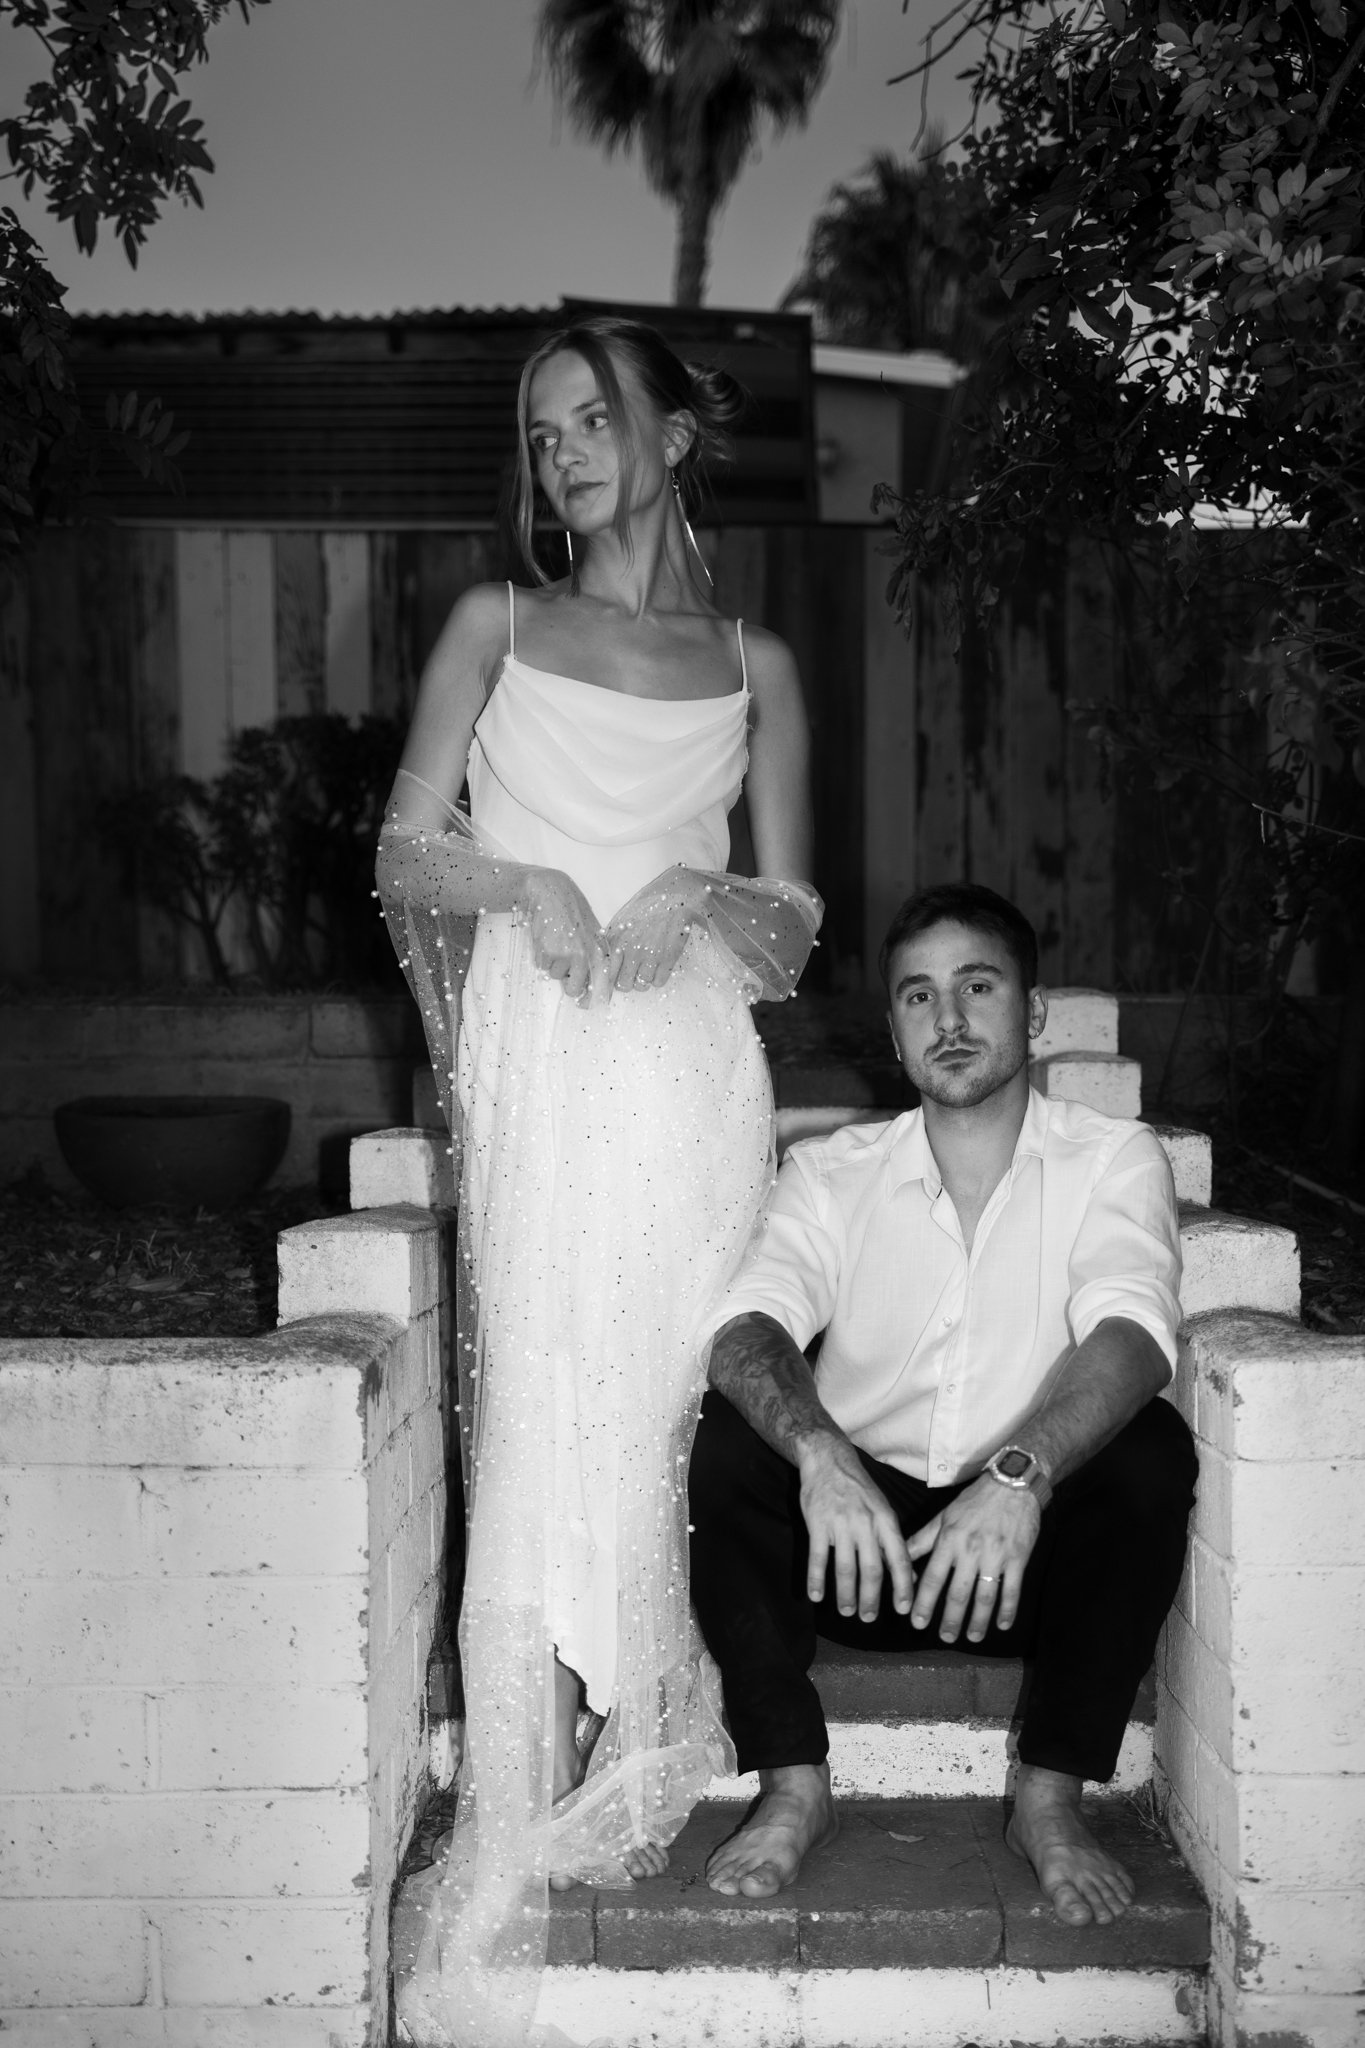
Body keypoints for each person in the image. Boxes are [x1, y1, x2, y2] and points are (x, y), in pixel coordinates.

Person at [376, 316, 820, 2046]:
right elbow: (406, 843)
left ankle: (642, 1763)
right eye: (537, 431)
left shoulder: (760, 660)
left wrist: (691, 900)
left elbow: (793, 920)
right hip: (544, 1052)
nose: (558, 451)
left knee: (655, 1404)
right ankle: (522, 1783)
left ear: (671, 434)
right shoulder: (495, 626)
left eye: (588, 418)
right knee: (547, 1394)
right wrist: (530, 890)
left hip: (692, 1063)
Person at [688, 882, 1197, 1929]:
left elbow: (1136, 1333)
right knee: (734, 1436)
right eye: (919, 997)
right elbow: (747, 1327)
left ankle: (1049, 1798)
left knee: (1151, 1449)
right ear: (892, 1027)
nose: (950, 1019)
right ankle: (794, 1780)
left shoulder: (1112, 1157)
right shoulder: (832, 1172)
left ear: (1035, 1010)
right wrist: (820, 1452)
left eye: (977, 985)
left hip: (1019, 1558)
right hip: (857, 1553)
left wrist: (1022, 1471)